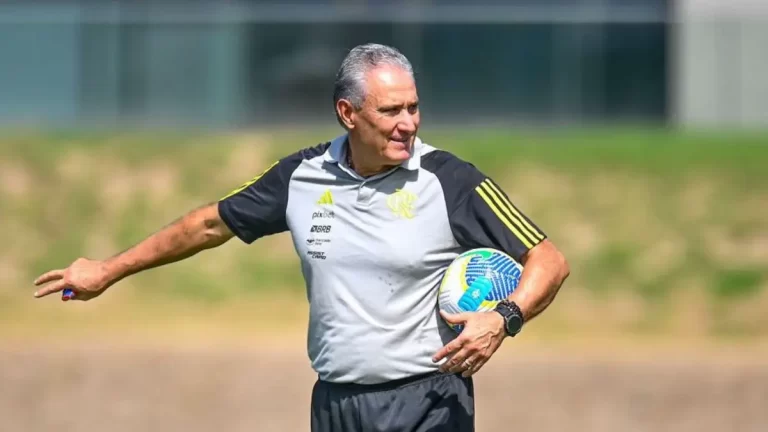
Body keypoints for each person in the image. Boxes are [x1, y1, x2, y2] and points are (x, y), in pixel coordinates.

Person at [33, 43, 570, 431]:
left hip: (428, 402)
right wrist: (107, 270)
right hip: (335, 405)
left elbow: (548, 260)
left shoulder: (449, 180)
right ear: (347, 114)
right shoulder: (302, 177)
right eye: (390, 111)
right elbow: (207, 224)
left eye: (413, 107)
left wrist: (505, 318)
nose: (408, 123)